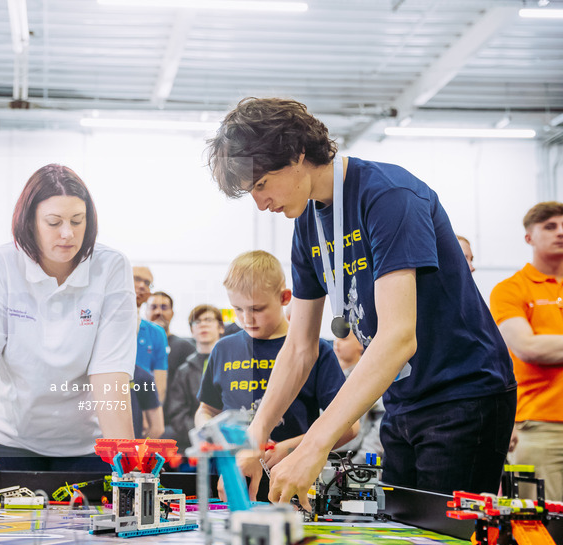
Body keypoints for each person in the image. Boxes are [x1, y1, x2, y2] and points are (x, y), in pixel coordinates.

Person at [207, 97, 516, 504]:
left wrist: (315, 444)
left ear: (297, 154)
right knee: (403, 536)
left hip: (463, 393)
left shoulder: (389, 195)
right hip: (402, 400)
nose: (260, 204)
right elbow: (299, 348)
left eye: (261, 184)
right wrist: (254, 436)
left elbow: (399, 338)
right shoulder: (308, 223)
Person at [0, 164, 136, 480]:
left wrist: (125, 458)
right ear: (30, 223)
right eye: (53, 222)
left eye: (78, 221)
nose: (68, 233)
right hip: (10, 440)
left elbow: (110, 373)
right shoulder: (1, 265)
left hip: (86, 445)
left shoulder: (111, 267)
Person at [193, 251, 353, 500]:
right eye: (237, 309)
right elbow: (206, 410)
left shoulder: (315, 351)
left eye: (257, 309)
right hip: (230, 482)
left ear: (284, 297)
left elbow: (349, 427)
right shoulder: (223, 348)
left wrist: (290, 448)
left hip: (292, 483)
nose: (246, 319)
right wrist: (214, 437)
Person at [490, 201, 563, 502]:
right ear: (529, 238)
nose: (560, 232)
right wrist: (541, 346)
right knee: (547, 530)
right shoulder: (510, 289)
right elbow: (528, 347)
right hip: (540, 429)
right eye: (550, 226)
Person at [163, 304, 223, 451]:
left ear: (220, 327)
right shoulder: (184, 371)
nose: (203, 325)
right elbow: (177, 415)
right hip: (195, 445)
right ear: (191, 330)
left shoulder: (234, 365)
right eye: (197, 322)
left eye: (208, 320)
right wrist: (205, 434)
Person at [332, 330, 385, 460]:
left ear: (361, 343)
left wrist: (363, 460)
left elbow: (379, 426)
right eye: (336, 338)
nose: (337, 343)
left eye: (343, 339)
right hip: (326, 459)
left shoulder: (373, 378)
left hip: (355, 459)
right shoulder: (328, 377)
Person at [133, 266, 168, 405]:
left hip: (141, 409)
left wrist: (153, 417)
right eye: (136, 279)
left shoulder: (157, 333)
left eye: (147, 283)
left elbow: (159, 386)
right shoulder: (99, 322)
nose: (142, 286)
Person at [147, 290, 195, 386]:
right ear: (146, 312)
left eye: (164, 307)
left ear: (172, 313)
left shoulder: (184, 347)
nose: (158, 312)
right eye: (153, 307)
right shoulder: (136, 346)